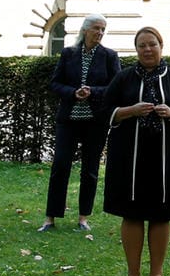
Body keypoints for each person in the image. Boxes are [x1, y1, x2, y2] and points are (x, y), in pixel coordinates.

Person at [101, 27, 170, 276]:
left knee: (161, 215)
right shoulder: (123, 79)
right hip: (129, 159)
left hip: (166, 158)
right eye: (142, 45)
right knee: (131, 214)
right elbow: (104, 111)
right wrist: (129, 111)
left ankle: (156, 274)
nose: (147, 49)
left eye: (152, 44)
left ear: (161, 46)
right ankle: (133, 274)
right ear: (136, 50)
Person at [41, 14, 120, 232]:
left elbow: (116, 87)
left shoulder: (109, 56)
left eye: (103, 29)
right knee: (60, 166)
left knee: (90, 170)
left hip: (95, 122)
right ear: (85, 30)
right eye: (96, 28)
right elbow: (55, 83)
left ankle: (83, 218)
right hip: (69, 120)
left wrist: (92, 91)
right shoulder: (69, 54)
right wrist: (73, 93)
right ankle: (50, 218)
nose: (100, 33)